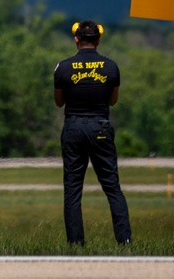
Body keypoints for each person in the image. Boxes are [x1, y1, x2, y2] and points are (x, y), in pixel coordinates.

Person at [53, 20, 132, 246]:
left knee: (72, 190)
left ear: (76, 39)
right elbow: (113, 101)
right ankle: (124, 240)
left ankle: (76, 243)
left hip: (74, 127)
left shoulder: (63, 67)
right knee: (112, 187)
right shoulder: (111, 67)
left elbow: (59, 102)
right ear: (98, 40)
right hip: (100, 125)